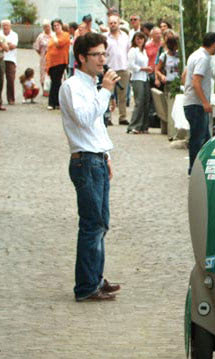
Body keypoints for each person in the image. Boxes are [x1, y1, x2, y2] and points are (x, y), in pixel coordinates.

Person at [59, 32, 121, 301]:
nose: (102, 59)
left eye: (104, 54)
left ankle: (95, 276)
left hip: (96, 158)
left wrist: (106, 155)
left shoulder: (92, 85)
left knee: (101, 223)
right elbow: (84, 119)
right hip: (84, 161)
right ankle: (86, 286)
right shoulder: (72, 86)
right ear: (81, 57)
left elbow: (96, 127)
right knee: (91, 224)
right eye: (96, 54)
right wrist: (106, 91)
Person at [184, 32, 215, 174]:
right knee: (198, 139)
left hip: (191, 102)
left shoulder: (194, 55)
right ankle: (194, 169)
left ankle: (203, 166)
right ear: (214, 44)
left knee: (205, 138)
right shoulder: (203, 58)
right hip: (196, 104)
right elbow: (196, 81)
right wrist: (205, 102)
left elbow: (186, 75)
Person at [106, 15, 131, 125]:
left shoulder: (125, 36)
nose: (113, 25)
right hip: (110, 68)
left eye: (115, 23)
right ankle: (108, 117)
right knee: (108, 94)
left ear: (118, 23)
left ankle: (122, 117)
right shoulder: (105, 37)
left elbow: (128, 51)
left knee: (123, 95)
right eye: (111, 23)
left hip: (123, 68)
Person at [155, 34, 180, 140]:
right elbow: (157, 69)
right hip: (169, 83)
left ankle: (177, 131)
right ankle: (170, 132)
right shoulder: (164, 56)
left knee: (177, 107)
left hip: (178, 83)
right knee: (170, 107)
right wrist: (161, 76)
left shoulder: (179, 56)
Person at [127, 32, 152, 134]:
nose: (139, 41)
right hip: (137, 78)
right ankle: (133, 125)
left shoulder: (144, 51)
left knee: (146, 102)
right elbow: (131, 65)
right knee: (139, 101)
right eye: (137, 39)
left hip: (145, 78)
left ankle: (143, 125)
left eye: (141, 39)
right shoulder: (133, 51)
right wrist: (143, 68)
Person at [46, 19, 70, 110]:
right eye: (54, 26)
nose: (56, 27)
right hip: (51, 62)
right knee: (56, 82)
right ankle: (57, 102)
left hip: (60, 61)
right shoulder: (53, 36)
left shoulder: (65, 35)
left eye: (58, 25)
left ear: (61, 25)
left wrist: (54, 37)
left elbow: (59, 44)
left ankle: (52, 102)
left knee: (55, 82)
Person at [33, 20, 52, 94]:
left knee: (51, 73)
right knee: (43, 73)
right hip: (44, 57)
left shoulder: (54, 35)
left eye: (48, 26)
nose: (47, 28)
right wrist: (42, 54)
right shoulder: (40, 36)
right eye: (45, 27)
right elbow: (37, 48)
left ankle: (51, 89)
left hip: (53, 58)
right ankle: (44, 90)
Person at [1, 20, 18, 105]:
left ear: (10, 26)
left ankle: (11, 98)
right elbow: (8, 46)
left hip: (10, 59)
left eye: (7, 25)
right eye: (3, 25)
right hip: (1, 59)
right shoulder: (0, 34)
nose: (5, 27)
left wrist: (3, 45)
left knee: (10, 79)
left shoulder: (14, 35)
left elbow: (13, 46)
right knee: (0, 80)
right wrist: (7, 44)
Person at [0, 26, 8, 110]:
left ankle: (0, 102)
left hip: (0, 61)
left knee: (0, 82)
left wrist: (1, 44)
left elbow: (7, 49)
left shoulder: (2, 37)